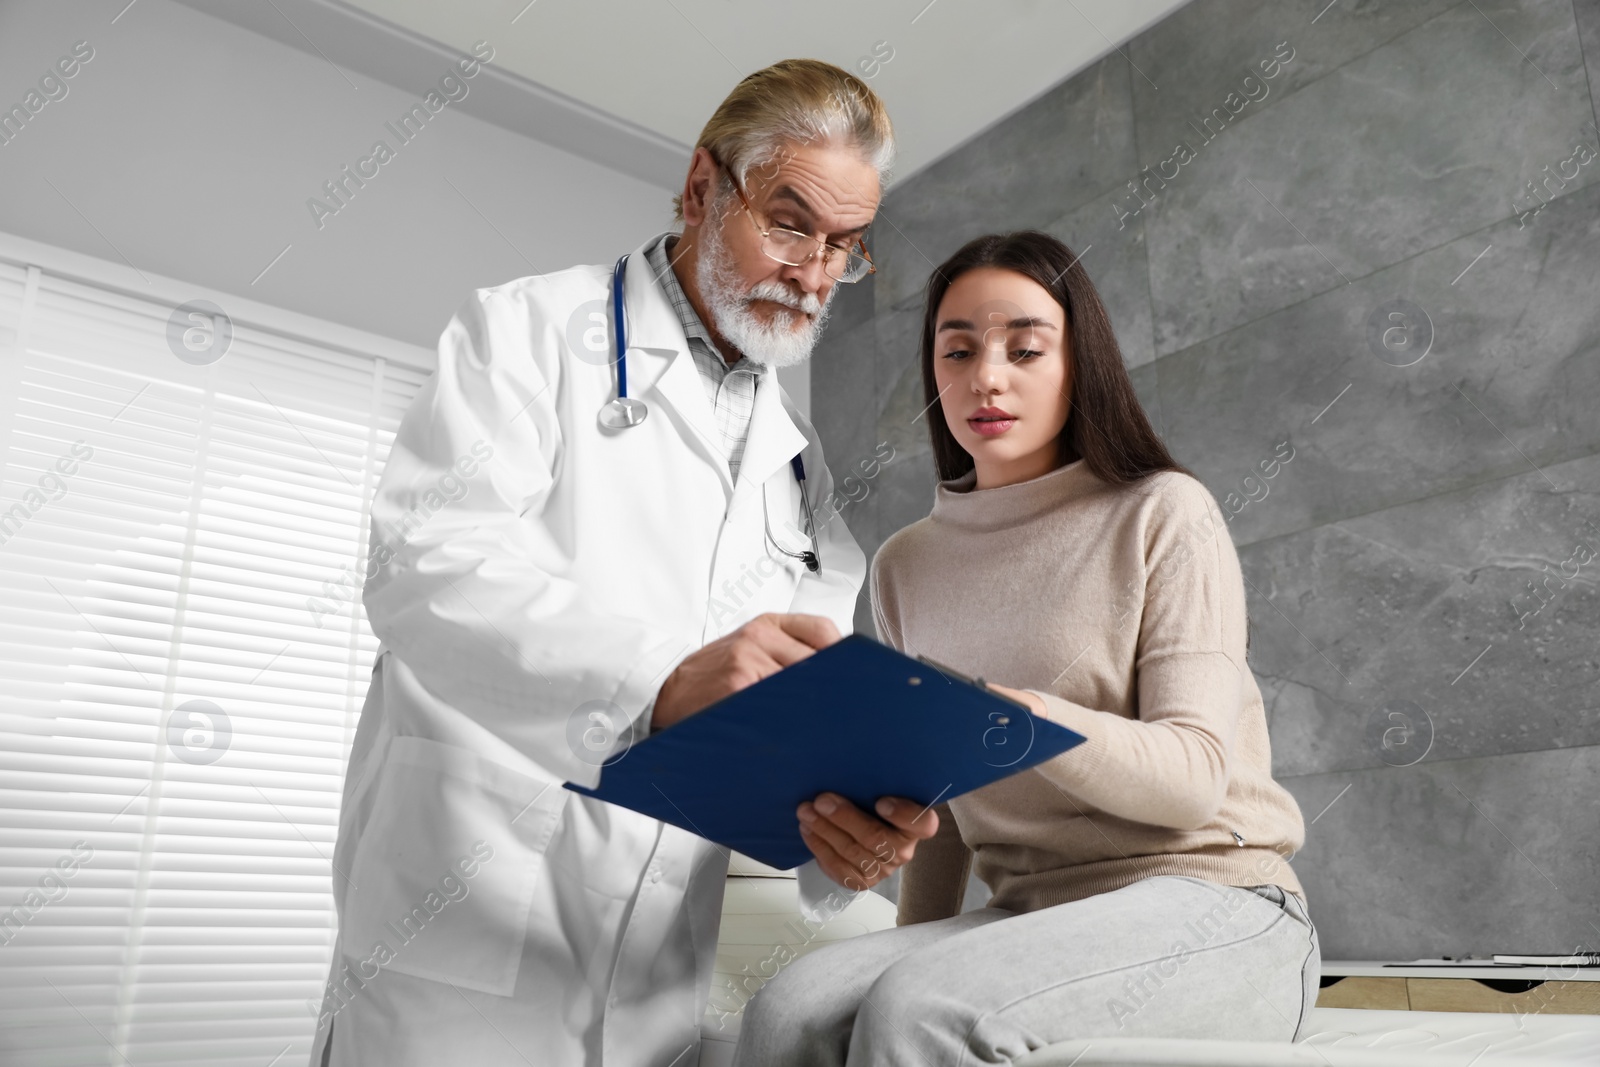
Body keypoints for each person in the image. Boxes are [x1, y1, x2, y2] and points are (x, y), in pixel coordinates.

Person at [308, 59, 941, 1067]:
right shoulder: (526, 333)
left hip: (658, 989)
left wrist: (838, 840)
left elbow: (778, 740)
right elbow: (423, 569)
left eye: (843, 247)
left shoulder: (801, 471)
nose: (816, 275)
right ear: (701, 188)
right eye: (789, 223)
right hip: (462, 954)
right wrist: (658, 682)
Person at [732, 230, 1322, 1066]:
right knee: (787, 1008)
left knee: (921, 1009)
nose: (987, 376)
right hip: (1029, 918)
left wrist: (1030, 718)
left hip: (1218, 903)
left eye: (1025, 347)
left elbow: (1194, 778)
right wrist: (903, 918)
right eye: (959, 349)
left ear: (1079, 363)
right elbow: (940, 816)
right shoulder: (906, 564)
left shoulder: (1164, 513)